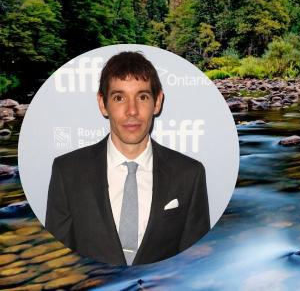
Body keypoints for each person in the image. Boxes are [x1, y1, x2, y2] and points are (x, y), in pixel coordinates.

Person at [45, 51, 210, 265]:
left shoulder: (190, 174)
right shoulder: (66, 171)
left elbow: (195, 265)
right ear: (103, 103)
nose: (132, 111)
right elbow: (57, 264)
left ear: (157, 102)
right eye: (119, 97)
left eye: (142, 97)